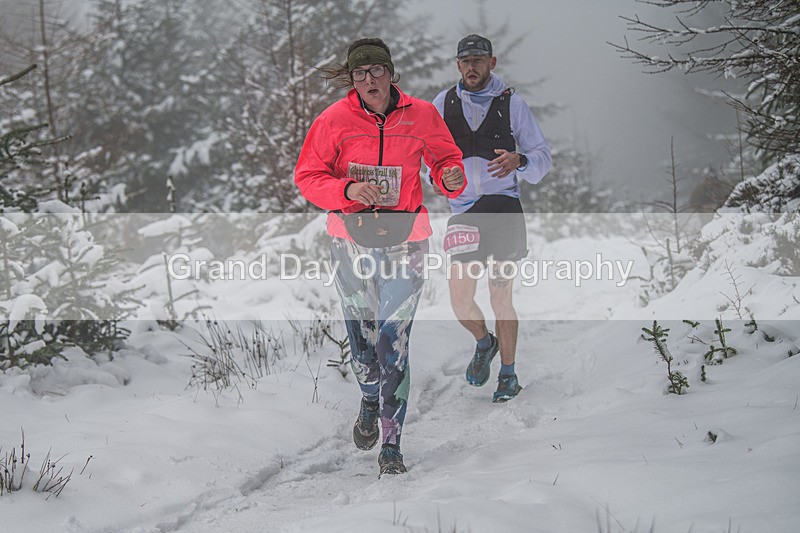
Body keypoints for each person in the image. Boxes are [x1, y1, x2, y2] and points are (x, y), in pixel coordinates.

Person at [295, 37, 466, 476]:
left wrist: (450, 177)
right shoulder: (334, 119)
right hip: (350, 241)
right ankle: (369, 396)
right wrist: (347, 190)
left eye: (376, 71)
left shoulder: (422, 115)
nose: (368, 80)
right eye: (359, 74)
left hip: (406, 241)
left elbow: (448, 163)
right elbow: (307, 176)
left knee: (395, 341)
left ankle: (392, 445)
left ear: (391, 73)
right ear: (352, 80)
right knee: (364, 347)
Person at [433, 34, 552, 403]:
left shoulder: (511, 103)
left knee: (501, 298)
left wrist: (522, 160)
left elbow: (542, 157)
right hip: (464, 213)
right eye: (466, 61)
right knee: (460, 301)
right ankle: (485, 343)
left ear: (492, 63)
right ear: (457, 65)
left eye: (479, 60)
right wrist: (439, 178)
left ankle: (509, 375)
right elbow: (430, 162)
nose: (472, 67)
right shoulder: (442, 104)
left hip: (503, 210)